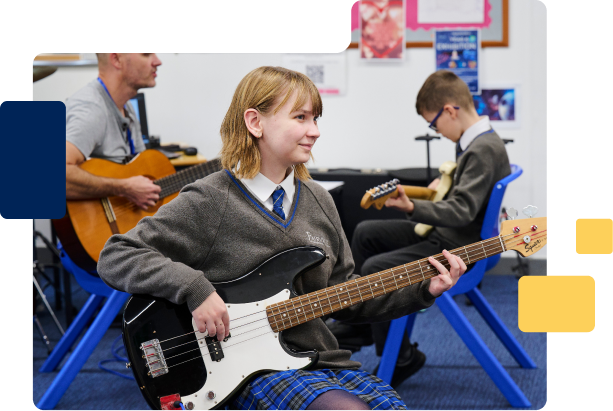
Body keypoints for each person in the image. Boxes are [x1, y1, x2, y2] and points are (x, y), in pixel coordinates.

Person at [97, 66, 467, 411]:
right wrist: (195, 289)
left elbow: (346, 296)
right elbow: (117, 254)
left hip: (321, 360)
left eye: (316, 118)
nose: (315, 130)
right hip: (249, 375)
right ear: (255, 122)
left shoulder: (319, 200)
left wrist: (423, 289)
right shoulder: (210, 200)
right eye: (300, 117)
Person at [327, 69, 512, 388]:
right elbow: (465, 195)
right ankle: (362, 323)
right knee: (366, 233)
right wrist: (443, 187)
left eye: (434, 122)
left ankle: (401, 358)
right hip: (448, 235)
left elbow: (462, 210)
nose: (436, 131)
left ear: (451, 110)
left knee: (375, 267)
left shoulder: (483, 149)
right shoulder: (477, 142)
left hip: (458, 247)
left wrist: (413, 205)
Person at [65, 53, 163, 210]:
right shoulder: (92, 109)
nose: (158, 62)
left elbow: (138, 169)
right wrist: (123, 188)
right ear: (117, 60)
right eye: (146, 54)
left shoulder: (126, 107)